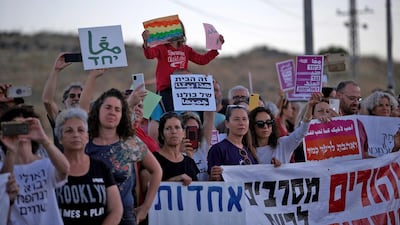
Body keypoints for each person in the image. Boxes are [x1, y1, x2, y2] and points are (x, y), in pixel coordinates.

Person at [80, 86, 162, 225]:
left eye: (117, 109)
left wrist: (145, 208)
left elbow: (157, 171)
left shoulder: (130, 142)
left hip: (125, 218)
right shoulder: (84, 142)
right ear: (98, 110)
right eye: (108, 107)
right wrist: (93, 77)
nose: (112, 112)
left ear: (122, 115)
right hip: (90, 217)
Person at [0, 105, 70, 225]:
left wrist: (43, 139)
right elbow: (2, 193)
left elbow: (65, 170)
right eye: (14, 126)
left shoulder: (46, 164)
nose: (20, 130)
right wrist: (10, 149)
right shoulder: (3, 168)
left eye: (24, 126)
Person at [54, 108, 123, 225]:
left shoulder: (101, 166)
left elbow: (116, 210)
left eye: (81, 130)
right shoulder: (51, 168)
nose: (75, 135)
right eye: (69, 131)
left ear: (87, 137)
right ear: (60, 138)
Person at [142, 22, 225, 113]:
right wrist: (146, 41)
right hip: (166, 89)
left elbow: (202, 60)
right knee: (170, 115)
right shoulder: (161, 48)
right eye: (170, 29)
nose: (174, 32)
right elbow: (149, 54)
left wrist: (215, 48)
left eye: (177, 29)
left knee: (184, 117)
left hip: (183, 89)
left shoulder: (186, 49)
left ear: (182, 31)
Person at [248, 93, 322, 164]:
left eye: (269, 122)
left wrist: (310, 106)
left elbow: (302, 131)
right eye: (260, 124)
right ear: (252, 126)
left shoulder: (283, 144)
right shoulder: (247, 151)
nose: (265, 126)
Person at [42, 53, 84, 150]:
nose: (76, 98)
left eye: (80, 96)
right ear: (64, 101)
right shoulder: (59, 118)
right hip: (62, 163)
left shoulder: (91, 120)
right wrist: (56, 70)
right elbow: (47, 101)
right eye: (72, 96)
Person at [208, 105, 257, 181]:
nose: (241, 123)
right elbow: (212, 182)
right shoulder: (218, 149)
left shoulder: (250, 149)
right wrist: (214, 176)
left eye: (244, 119)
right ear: (227, 123)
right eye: (236, 119)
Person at [150, 112, 199, 185]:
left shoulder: (190, 162)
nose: (173, 131)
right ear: (161, 134)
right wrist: (172, 182)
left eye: (177, 127)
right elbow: (145, 186)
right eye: (168, 128)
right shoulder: (152, 159)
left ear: (184, 133)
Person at [335, 80, 371, 158]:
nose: (356, 103)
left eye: (359, 99)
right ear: (338, 96)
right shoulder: (325, 120)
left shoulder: (359, 124)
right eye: (352, 98)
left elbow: (364, 154)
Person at [181, 110, 214, 181]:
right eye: (189, 129)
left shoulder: (202, 148)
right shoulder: (175, 153)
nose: (193, 132)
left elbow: (209, 117)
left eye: (196, 129)